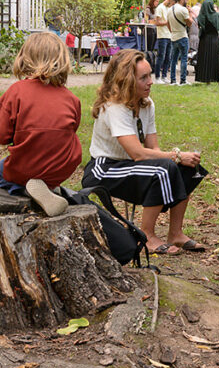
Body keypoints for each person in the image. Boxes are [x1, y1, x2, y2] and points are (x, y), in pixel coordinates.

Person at [80, 49, 208, 254]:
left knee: (190, 168)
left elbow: (153, 149)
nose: (151, 82)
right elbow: (138, 154)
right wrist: (175, 155)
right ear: (128, 81)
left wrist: (178, 160)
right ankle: (146, 235)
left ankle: (175, 233)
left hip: (130, 165)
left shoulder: (147, 105)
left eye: (150, 75)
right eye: (144, 78)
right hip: (104, 169)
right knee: (164, 168)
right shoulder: (114, 107)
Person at [0, 32, 82, 217]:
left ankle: (30, 191)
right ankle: (50, 189)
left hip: (27, 166)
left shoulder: (17, 92)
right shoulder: (72, 98)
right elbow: (70, 130)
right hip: (61, 168)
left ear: (25, 58)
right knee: (42, 162)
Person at [166, 0, 192, 86]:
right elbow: (189, 23)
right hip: (182, 36)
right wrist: (190, 12)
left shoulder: (169, 10)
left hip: (173, 37)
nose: (187, 1)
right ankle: (183, 80)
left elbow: (168, 24)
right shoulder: (183, 10)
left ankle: (173, 80)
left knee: (173, 60)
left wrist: (172, 32)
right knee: (184, 59)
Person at [195, 0, 219, 84]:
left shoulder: (200, 16)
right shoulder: (217, 16)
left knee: (205, 59)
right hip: (214, 39)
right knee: (215, 59)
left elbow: (199, 27)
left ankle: (206, 79)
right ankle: (218, 80)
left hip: (204, 39)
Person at [153, 0, 173, 84]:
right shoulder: (160, 8)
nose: (172, 5)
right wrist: (167, 23)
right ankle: (157, 77)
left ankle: (164, 76)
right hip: (162, 36)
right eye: (172, 3)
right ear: (169, 0)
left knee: (168, 57)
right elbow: (157, 23)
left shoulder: (169, 8)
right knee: (161, 56)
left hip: (170, 36)